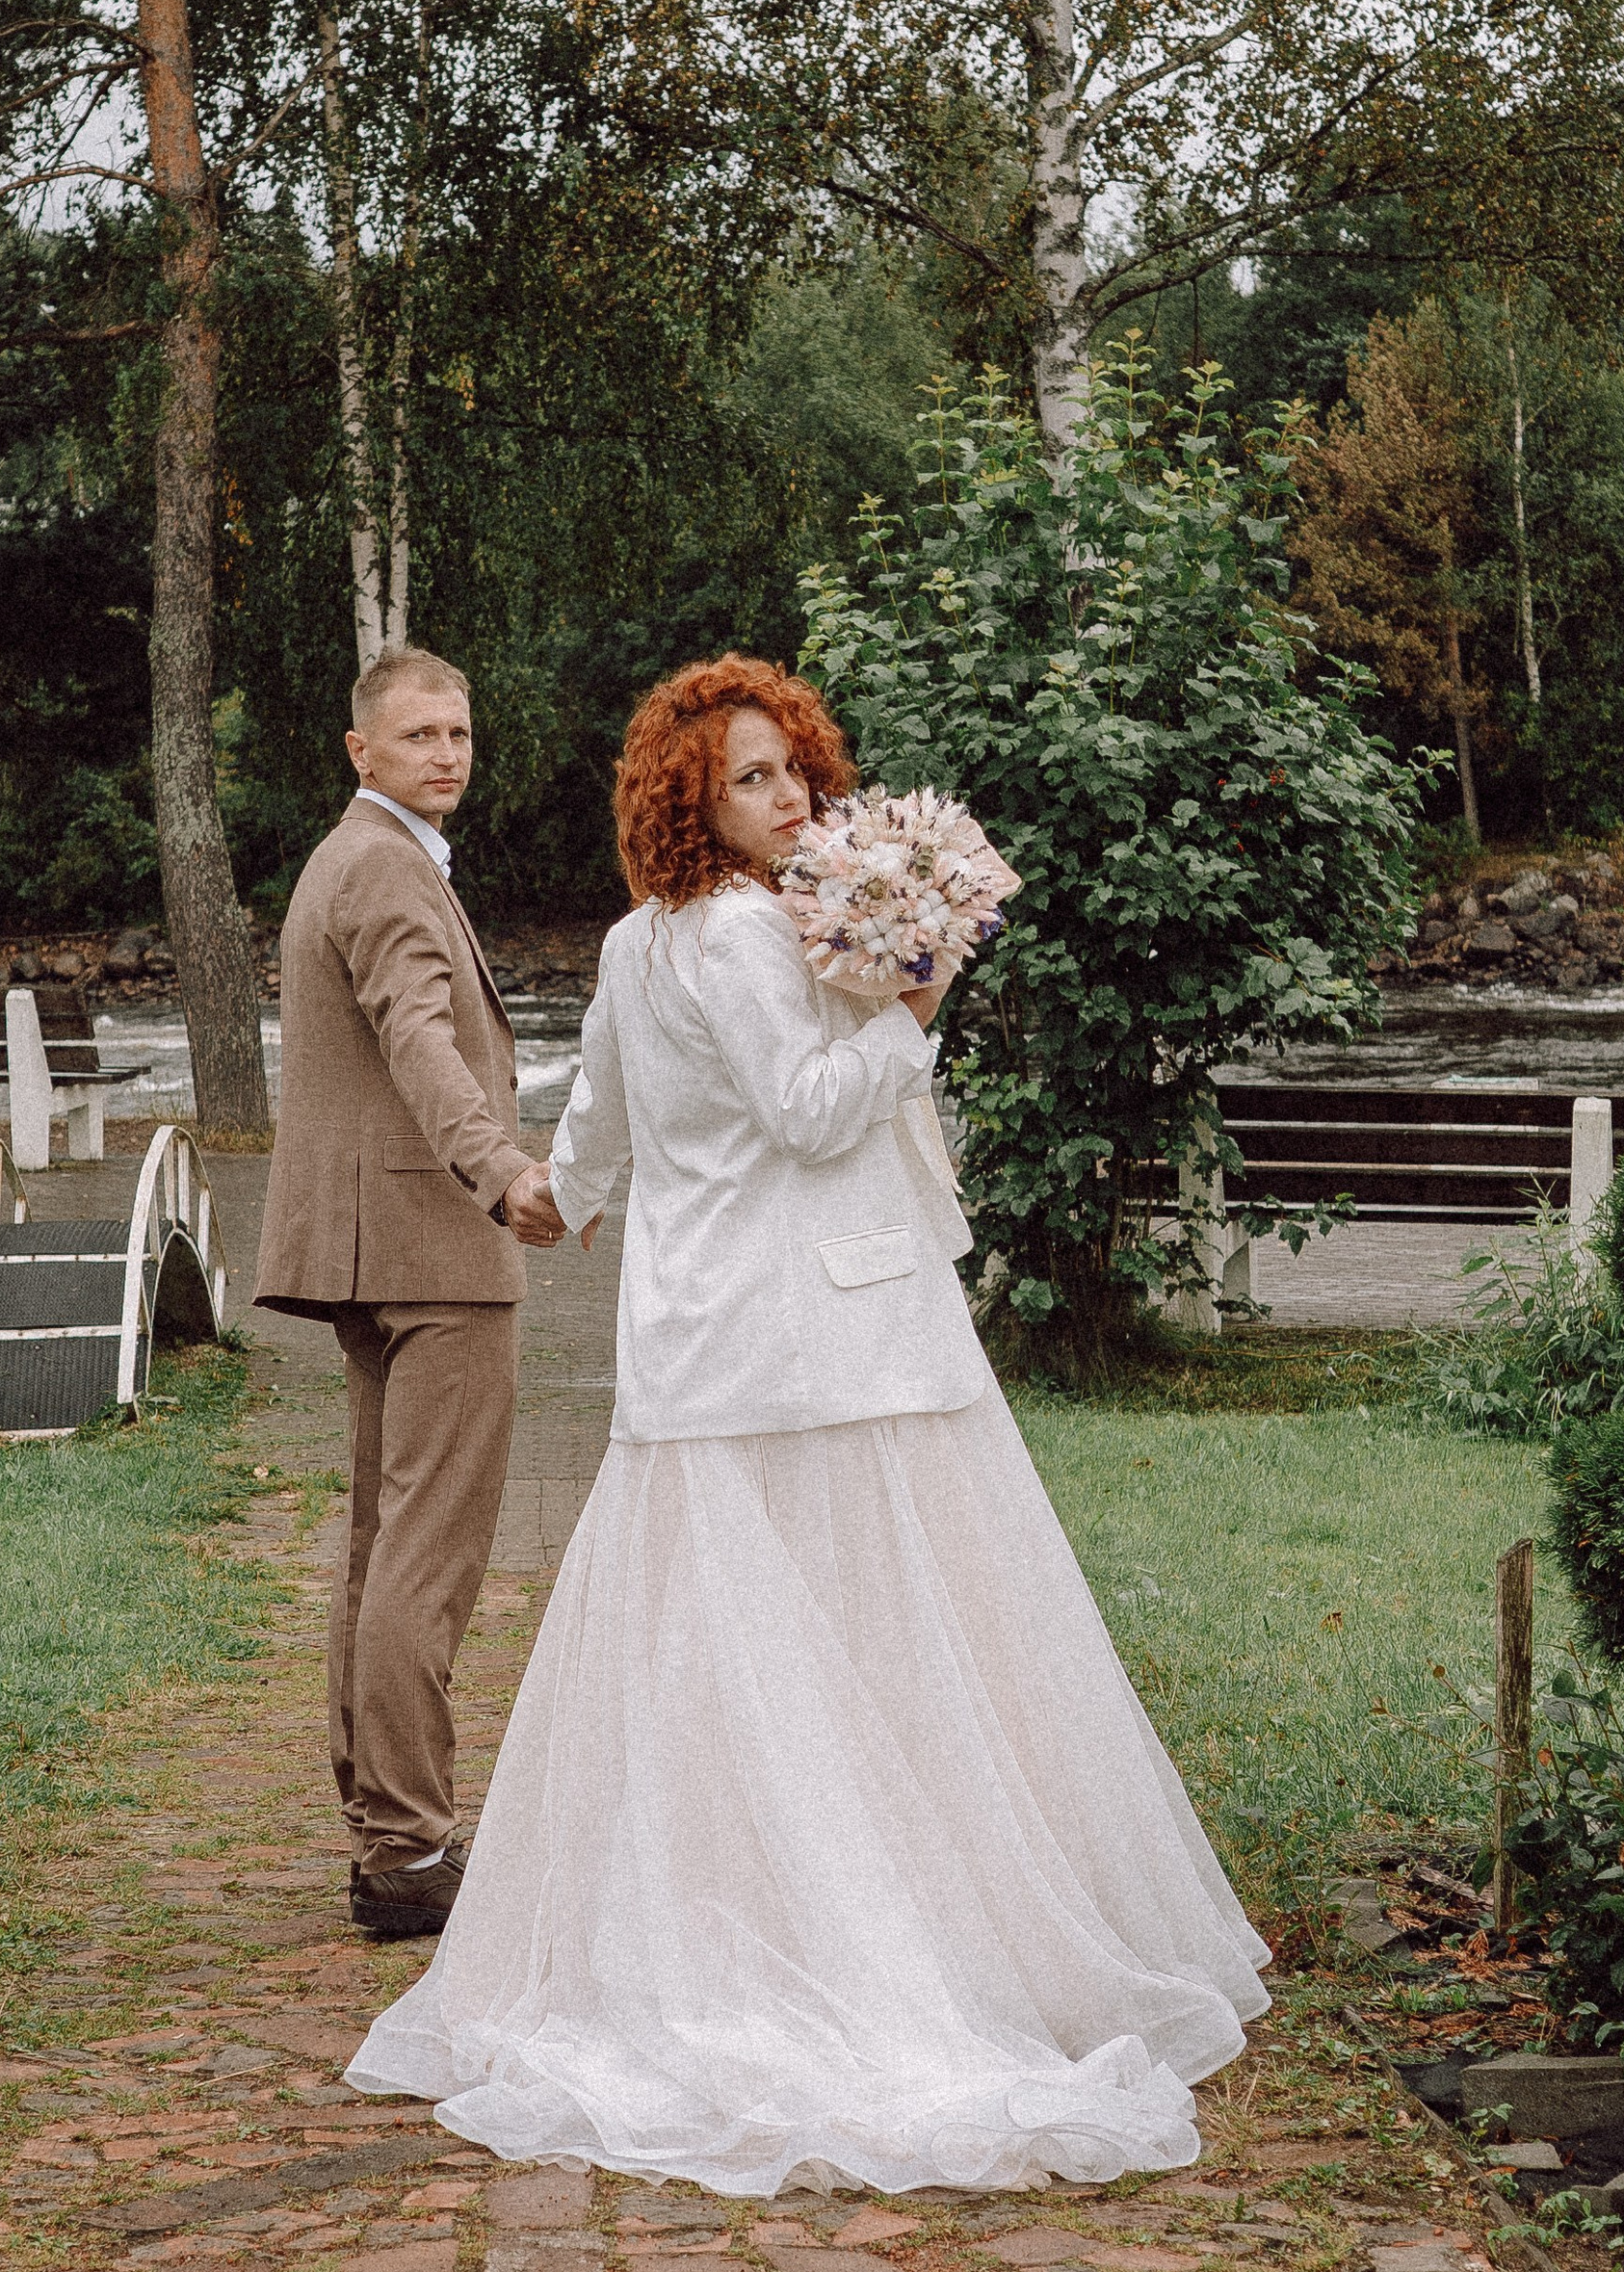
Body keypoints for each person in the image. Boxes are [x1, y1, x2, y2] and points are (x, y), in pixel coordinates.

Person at [349, 653, 1269, 2189]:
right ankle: (877, 1939)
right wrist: (918, 1003)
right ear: (689, 801)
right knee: (884, 1635)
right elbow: (808, 1109)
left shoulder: (640, 941)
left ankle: (747, 1909)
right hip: (831, 1343)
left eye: (796, 771)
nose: (789, 799)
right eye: (751, 780)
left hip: (702, 1347)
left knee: (735, 1653)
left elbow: (601, 1119)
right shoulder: (738, 936)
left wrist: (554, 1200)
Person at [253, 644, 565, 1945]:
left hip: (381, 1244)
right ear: (360, 750)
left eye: (460, 731)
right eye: (419, 734)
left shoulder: (360, 855)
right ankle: (409, 1845)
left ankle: (390, 1837)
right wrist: (504, 1174)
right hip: (433, 1249)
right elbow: (421, 1037)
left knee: (387, 1551)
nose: (446, 753)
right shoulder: (381, 865)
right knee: (424, 1558)